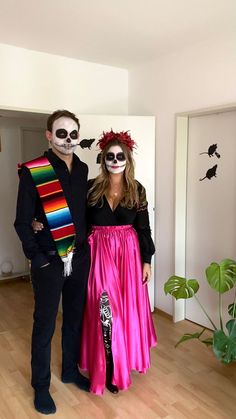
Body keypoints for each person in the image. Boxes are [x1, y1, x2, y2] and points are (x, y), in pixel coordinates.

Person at [14, 110, 90, 415]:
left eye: (73, 134)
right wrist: (37, 259)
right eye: (61, 133)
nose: (68, 140)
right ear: (49, 135)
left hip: (80, 257)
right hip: (49, 260)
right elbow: (21, 222)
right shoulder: (34, 171)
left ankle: (70, 370)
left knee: (74, 318)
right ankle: (41, 387)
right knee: (44, 325)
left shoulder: (84, 169)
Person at [79, 129, 157, 395]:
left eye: (119, 156)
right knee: (105, 310)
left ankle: (117, 367)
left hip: (128, 255)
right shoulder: (90, 187)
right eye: (109, 156)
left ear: (128, 159)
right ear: (103, 159)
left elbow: (144, 228)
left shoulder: (137, 189)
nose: (114, 160)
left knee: (123, 312)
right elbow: (79, 222)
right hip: (99, 255)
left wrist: (146, 260)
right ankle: (107, 366)